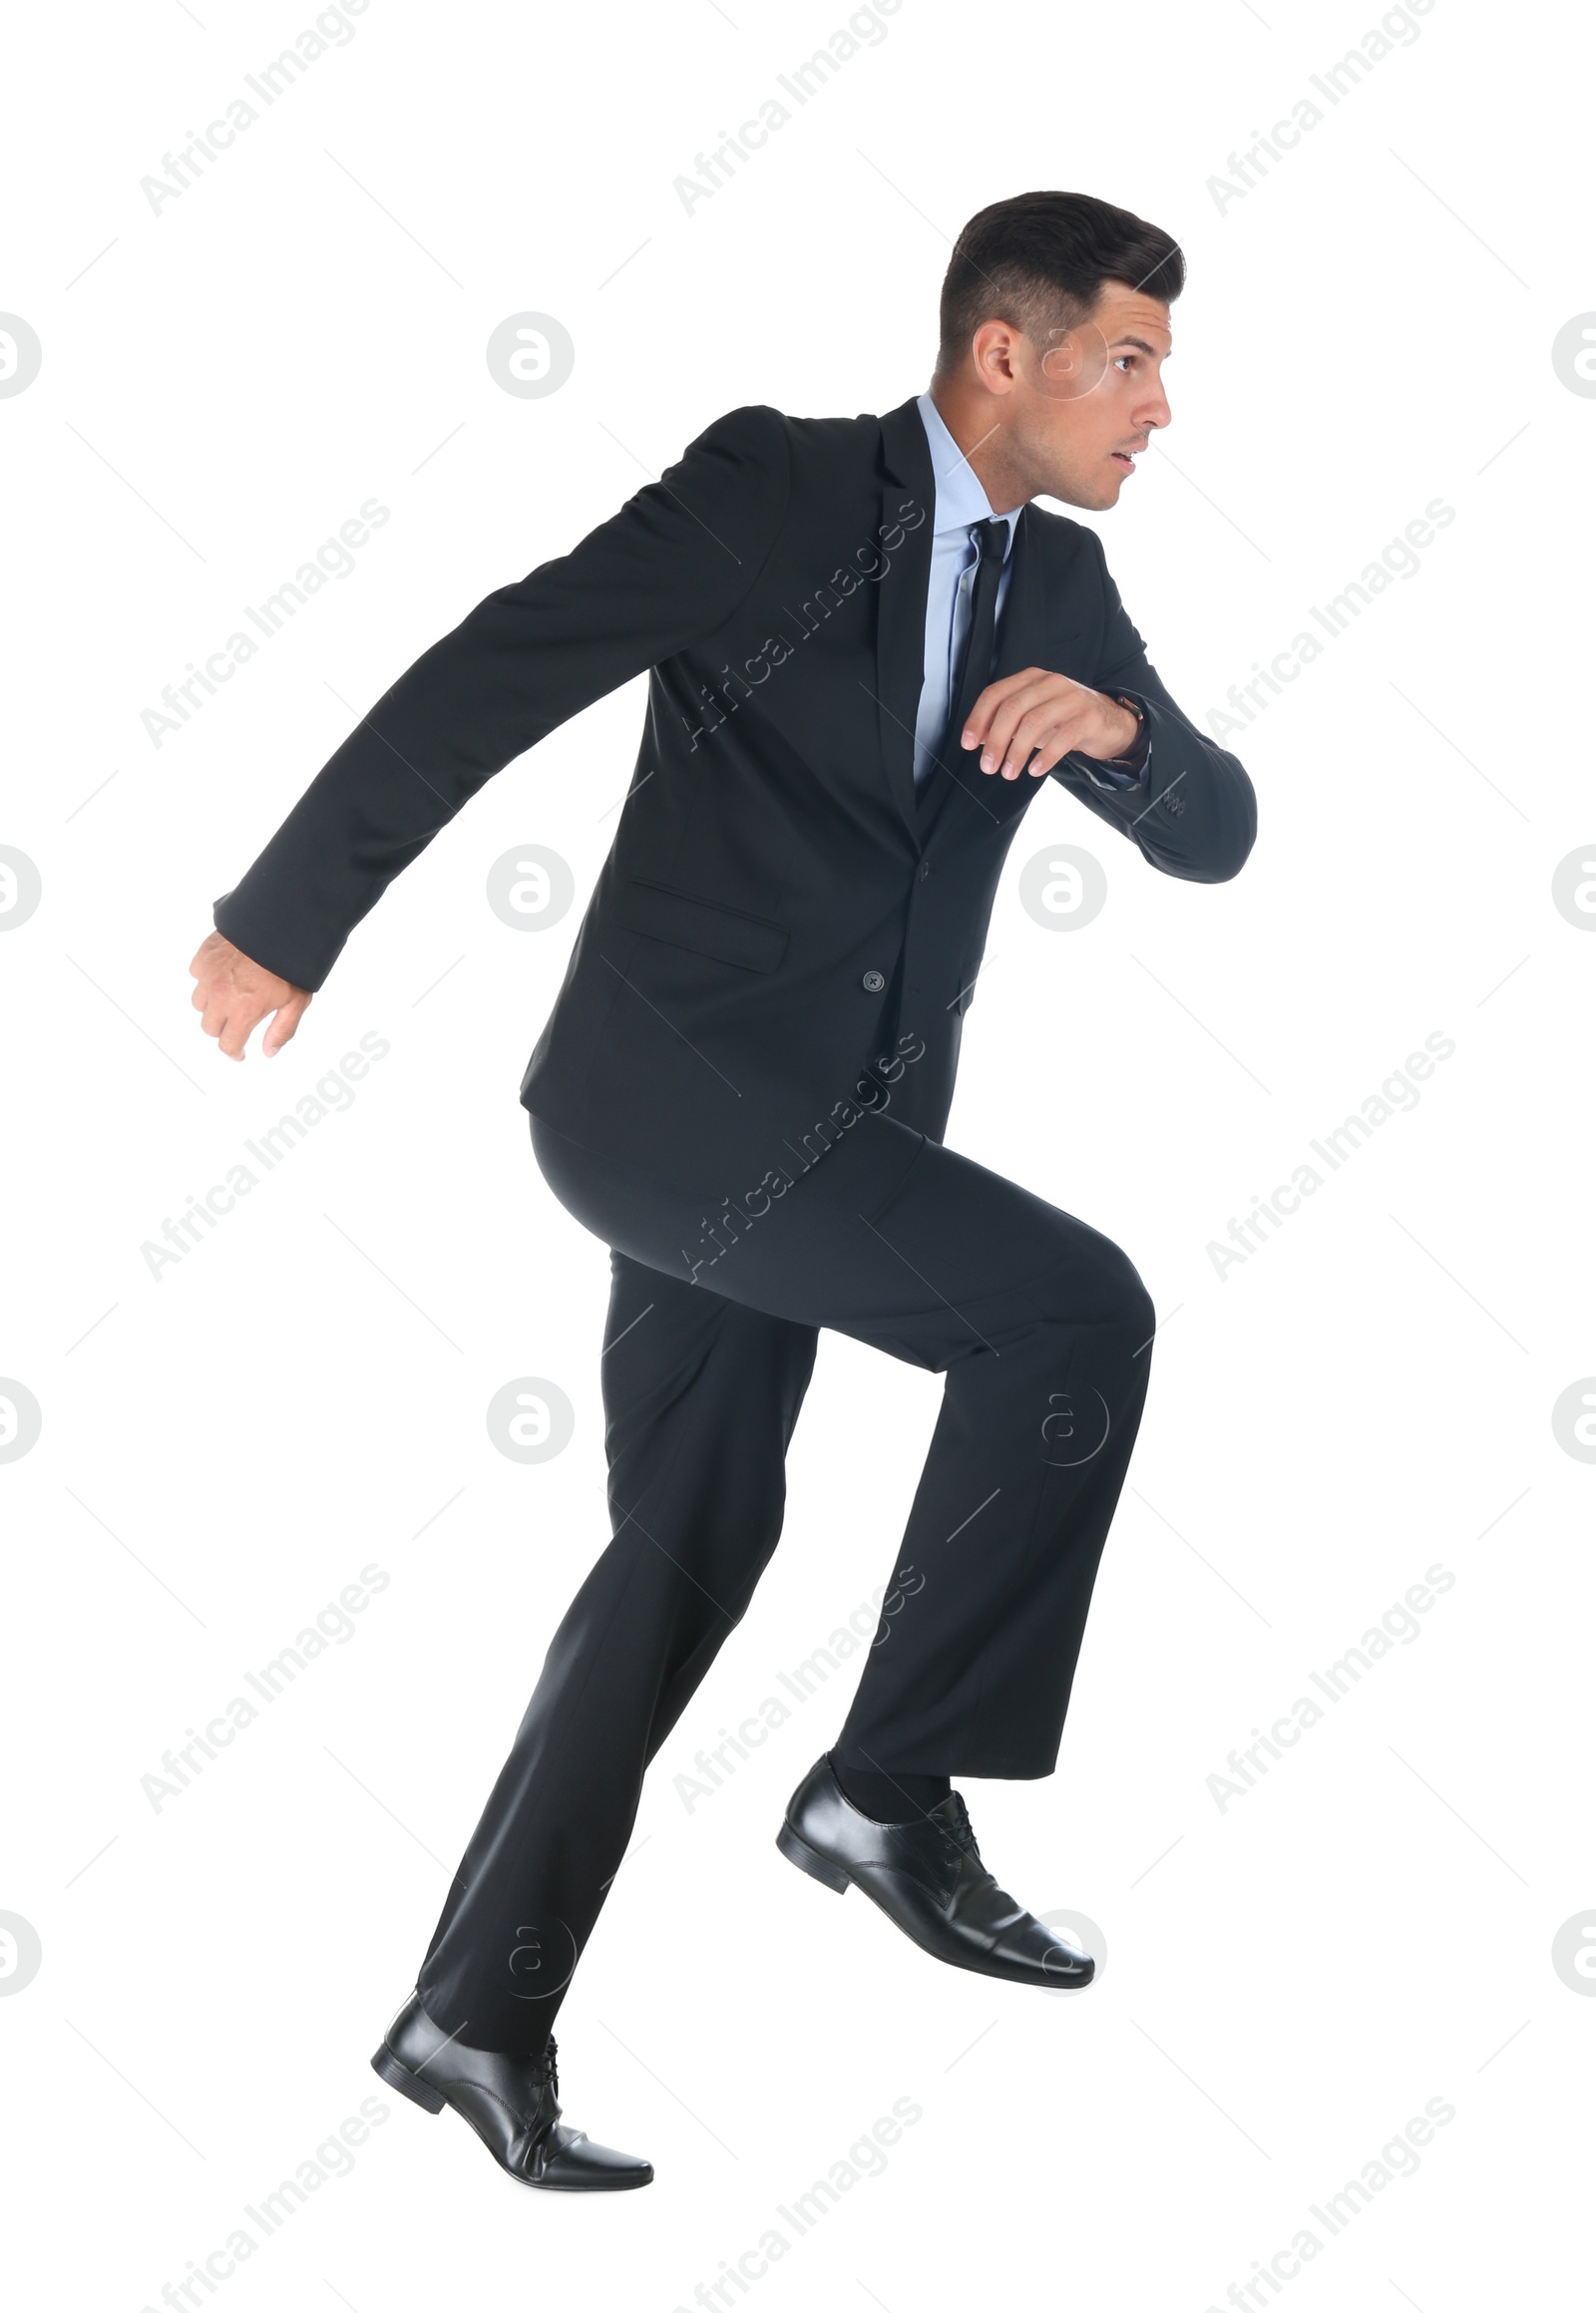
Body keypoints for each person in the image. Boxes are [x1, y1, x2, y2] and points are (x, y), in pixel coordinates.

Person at [189, 189, 1256, 2192]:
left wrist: (1118, 735)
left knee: (688, 1546)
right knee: (1069, 1310)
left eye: (1164, 366)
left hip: (841, 1140)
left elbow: (1215, 830)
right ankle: (885, 1791)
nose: (1157, 407)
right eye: (1127, 358)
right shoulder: (774, 491)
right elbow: (498, 666)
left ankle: (471, 2014)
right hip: (667, 1113)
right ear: (1000, 353)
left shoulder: (1063, 593)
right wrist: (287, 919)